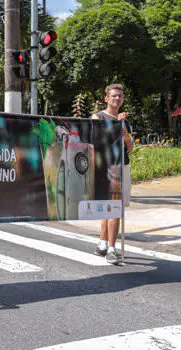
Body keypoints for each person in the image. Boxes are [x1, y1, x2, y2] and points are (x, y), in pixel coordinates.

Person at [91, 83, 134, 264]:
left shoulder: (125, 122)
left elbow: (130, 149)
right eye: (114, 96)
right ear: (106, 99)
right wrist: (116, 124)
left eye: (120, 96)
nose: (117, 98)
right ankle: (111, 248)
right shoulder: (98, 117)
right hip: (105, 167)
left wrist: (125, 135)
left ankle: (102, 243)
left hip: (122, 166)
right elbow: (95, 140)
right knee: (111, 207)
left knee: (112, 207)